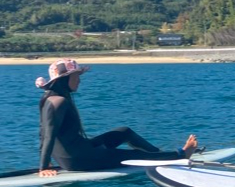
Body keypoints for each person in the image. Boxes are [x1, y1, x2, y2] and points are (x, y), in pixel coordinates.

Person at [36, 58, 198, 175]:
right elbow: (48, 135)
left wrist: (48, 160)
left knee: (124, 131)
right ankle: (180, 155)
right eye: (76, 77)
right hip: (81, 159)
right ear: (65, 79)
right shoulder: (59, 102)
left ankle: (158, 154)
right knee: (135, 156)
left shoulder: (51, 99)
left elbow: (42, 133)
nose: (79, 81)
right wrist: (44, 167)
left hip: (81, 150)